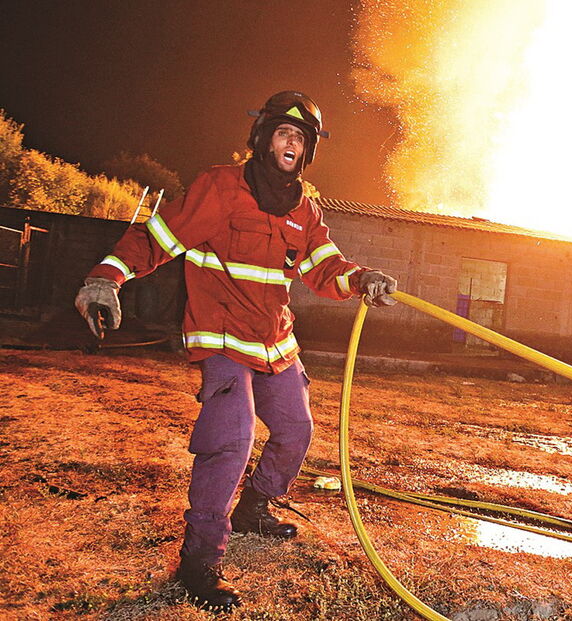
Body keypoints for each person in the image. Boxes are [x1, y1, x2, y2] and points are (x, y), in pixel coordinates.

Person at [74, 91, 397, 611]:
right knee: (233, 440)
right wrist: (106, 277)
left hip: (275, 343)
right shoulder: (221, 188)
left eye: (301, 137)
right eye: (283, 132)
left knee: (296, 432)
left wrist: (363, 280)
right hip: (222, 338)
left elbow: (325, 269)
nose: (291, 141)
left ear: (308, 151)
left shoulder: (305, 210)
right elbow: (156, 237)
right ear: (262, 138)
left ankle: (253, 510)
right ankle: (199, 563)